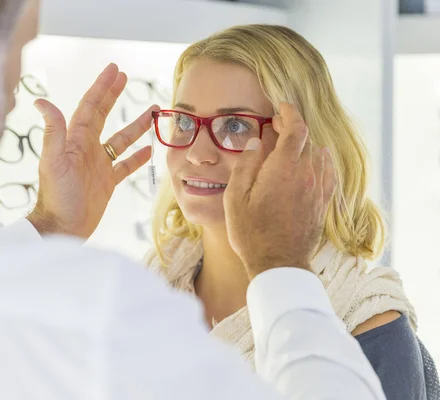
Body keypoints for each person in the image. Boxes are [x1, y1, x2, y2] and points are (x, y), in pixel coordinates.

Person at [0, 1, 386, 399]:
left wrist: (50, 223)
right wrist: (280, 267)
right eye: (21, 49)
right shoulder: (105, 318)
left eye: (236, 124)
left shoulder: (369, 318)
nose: (13, 93)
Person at [145, 24, 436, 400]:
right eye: (184, 121)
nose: (199, 153)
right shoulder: (149, 283)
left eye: (235, 125)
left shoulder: (367, 327)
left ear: (303, 148)